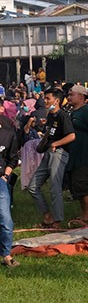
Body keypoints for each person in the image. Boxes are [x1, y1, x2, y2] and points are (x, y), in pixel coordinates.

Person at [28, 88, 74, 228]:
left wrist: (56, 143)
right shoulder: (51, 116)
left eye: (48, 98)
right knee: (32, 186)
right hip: (48, 153)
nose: (45, 101)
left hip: (58, 153)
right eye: (44, 98)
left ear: (57, 101)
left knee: (55, 187)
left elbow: (72, 136)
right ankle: (47, 216)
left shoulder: (62, 116)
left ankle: (58, 221)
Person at [67, 85, 88, 226]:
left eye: (71, 94)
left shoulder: (87, 112)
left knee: (84, 185)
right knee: (78, 187)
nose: (68, 97)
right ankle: (83, 214)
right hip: (74, 156)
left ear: (81, 96)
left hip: (85, 156)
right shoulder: (72, 112)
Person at [0, 112, 19, 268]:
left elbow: (13, 158)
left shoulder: (8, 134)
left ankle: (6, 254)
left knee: (6, 220)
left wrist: (5, 176)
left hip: (0, 180)